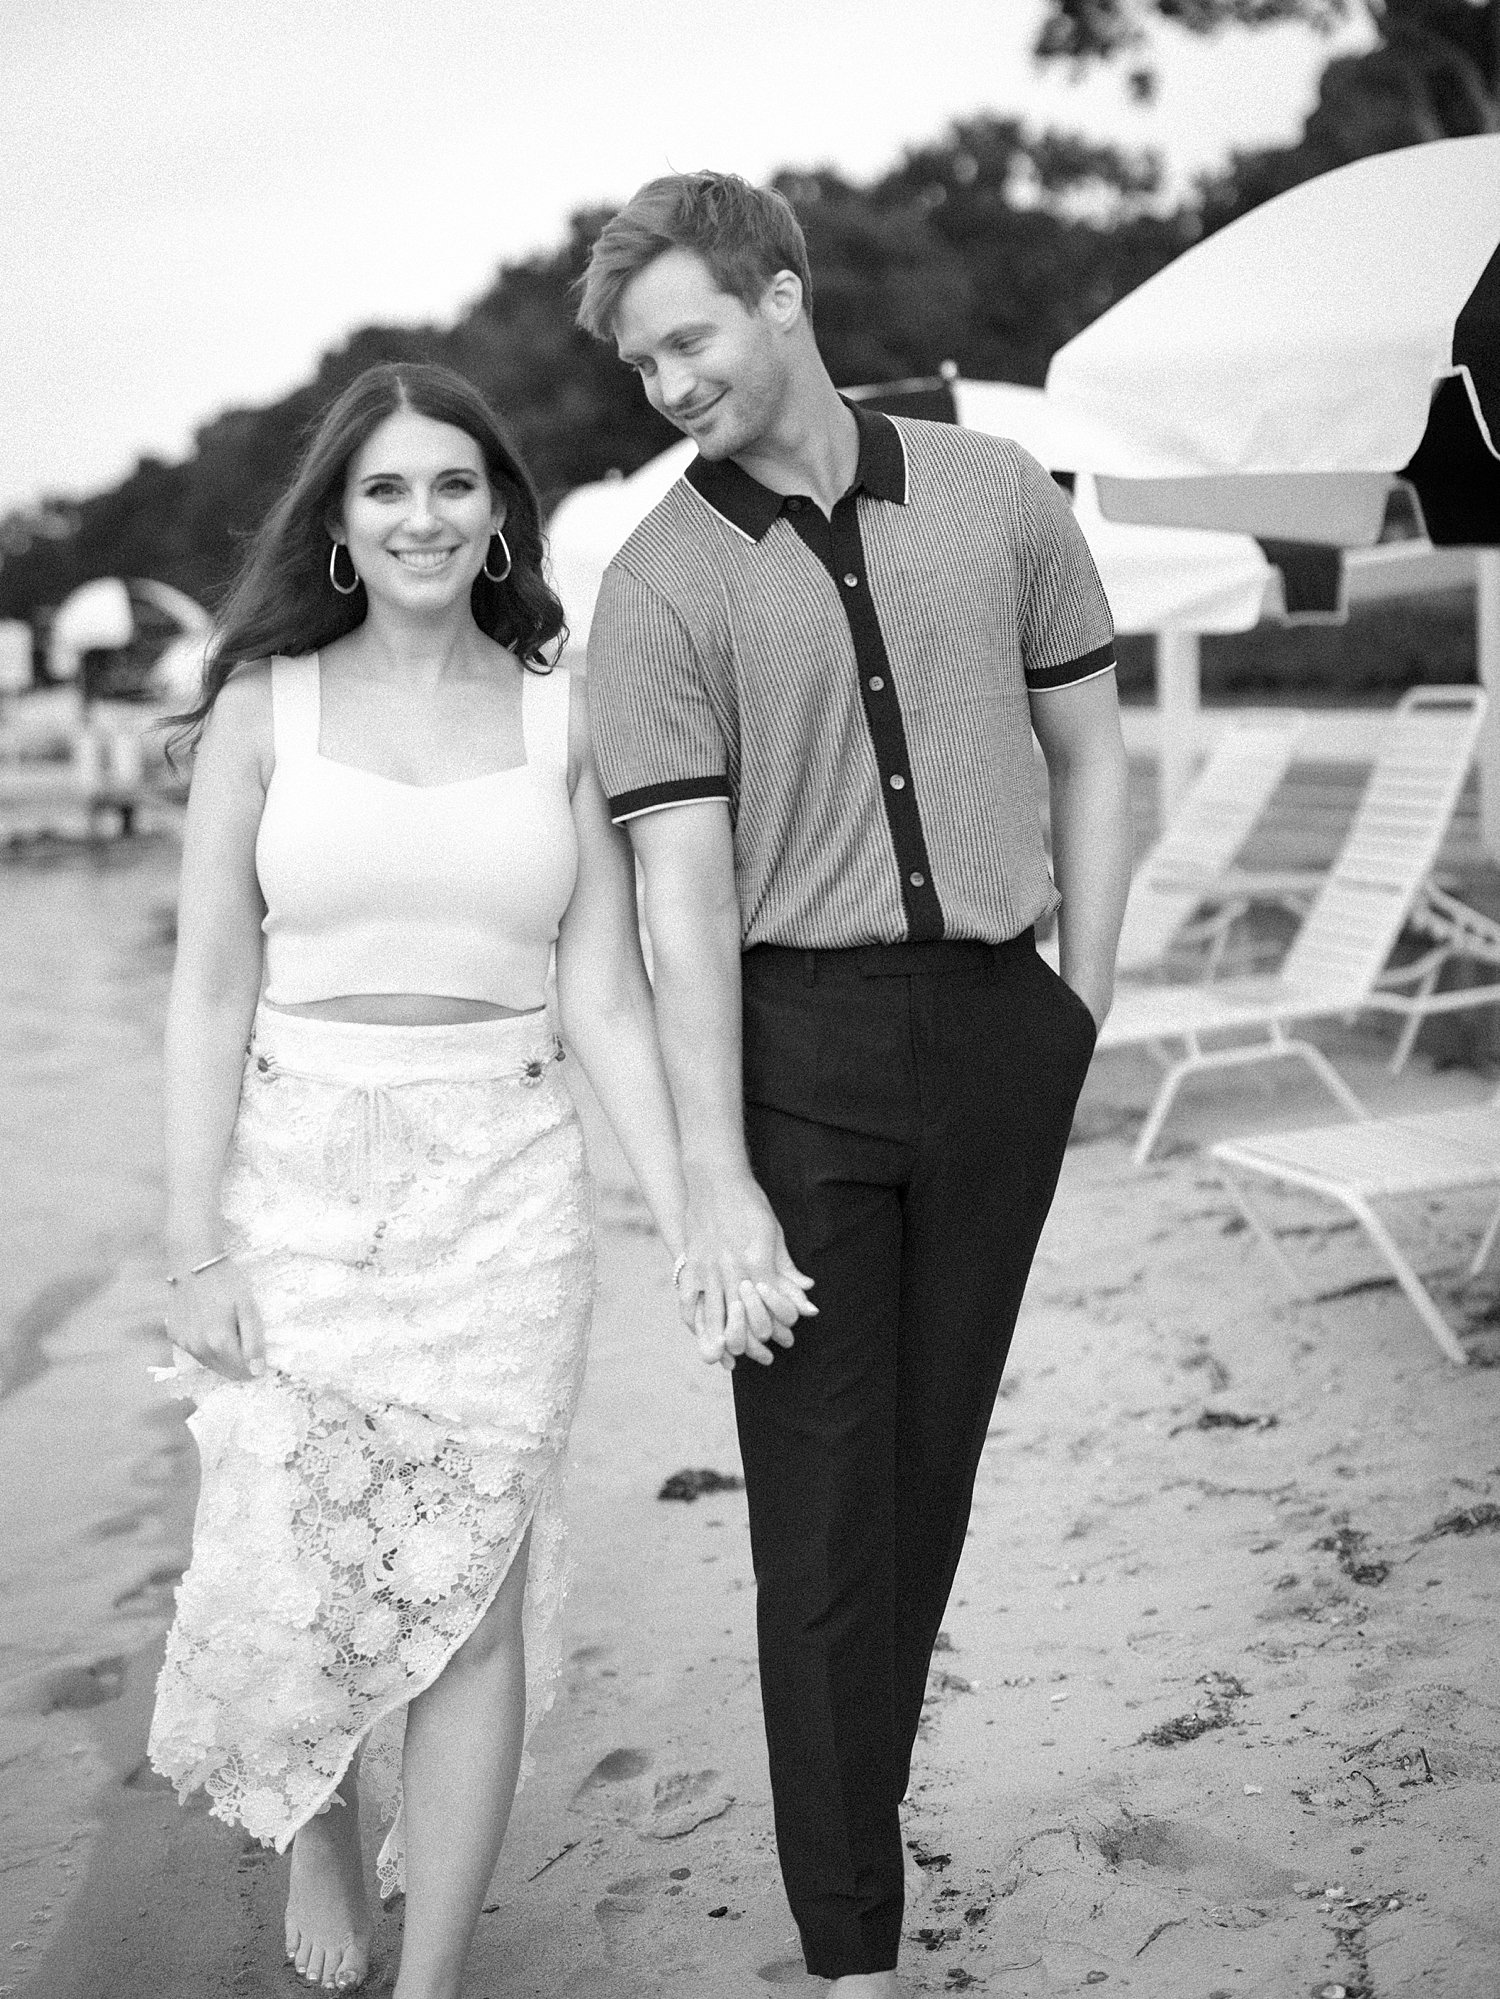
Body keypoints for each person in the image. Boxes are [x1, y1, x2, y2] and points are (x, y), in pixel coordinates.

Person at [146, 361, 797, 1998]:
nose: (423, 514)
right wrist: (187, 1247)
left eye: (453, 484)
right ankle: (314, 1825)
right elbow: (209, 991)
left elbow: (603, 994)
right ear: (343, 528)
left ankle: (433, 1976)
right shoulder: (260, 710)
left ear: (499, 514)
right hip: (297, 1178)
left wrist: (692, 1208)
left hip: (507, 1188)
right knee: (305, 1559)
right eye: (385, 490)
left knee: (475, 1588)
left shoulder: (561, 710)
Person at [577, 174, 1133, 1997]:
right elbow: (676, 897)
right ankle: (851, 1952)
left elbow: (1090, 748)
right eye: (641, 361)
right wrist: (718, 1174)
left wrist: (1081, 1003)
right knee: (823, 1520)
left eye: (692, 339)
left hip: (997, 1034)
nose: (667, 384)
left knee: (933, 1480)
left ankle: (851, 1832)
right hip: (792, 1056)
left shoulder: (997, 494)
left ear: (787, 297)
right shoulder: (657, 583)